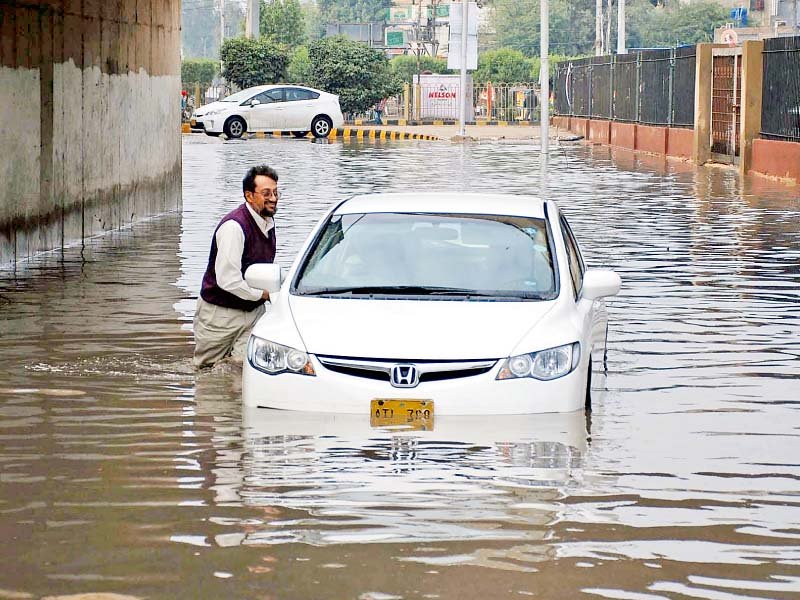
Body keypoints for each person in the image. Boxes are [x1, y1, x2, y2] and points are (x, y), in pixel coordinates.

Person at [193, 165, 279, 369]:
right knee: (206, 373)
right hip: (220, 315)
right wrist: (264, 295)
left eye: (276, 192)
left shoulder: (267, 221)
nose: (274, 198)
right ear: (249, 196)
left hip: (254, 312)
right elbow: (227, 280)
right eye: (266, 193)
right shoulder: (234, 227)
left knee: (245, 369)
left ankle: (236, 401)